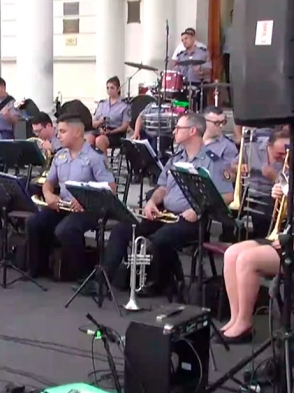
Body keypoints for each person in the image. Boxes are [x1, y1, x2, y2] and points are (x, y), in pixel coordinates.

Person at [99, 114, 234, 298]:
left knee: (159, 240)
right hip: (166, 213)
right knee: (123, 229)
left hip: (193, 219)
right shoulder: (176, 158)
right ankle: (105, 280)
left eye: (179, 128)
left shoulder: (213, 161)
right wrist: (152, 202)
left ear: (193, 131)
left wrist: (198, 209)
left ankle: (162, 282)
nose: (174, 131)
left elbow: (228, 195)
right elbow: (162, 186)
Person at [25, 114, 116, 279]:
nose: (58, 135)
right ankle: (38, 269)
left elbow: (111, 187)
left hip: (88, 208)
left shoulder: (94, 157)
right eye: (58, 131)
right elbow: (48, 182)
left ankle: (81, 273)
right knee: (34, 223)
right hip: (64, 205)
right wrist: (48, 195)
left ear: (77, 132)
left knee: (66, 230)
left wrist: (86, 199)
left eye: (63, 131)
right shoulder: (60, 156)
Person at [219, 183, 284, 344]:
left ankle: (244, 322)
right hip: (284, 236)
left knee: (247, 260)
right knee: (231, 253)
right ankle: (235, 318)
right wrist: (282, 193)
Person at [87, 76, 130, 154]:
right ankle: (91, 163)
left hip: (115, 133)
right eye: (107, 88)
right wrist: (99, 122)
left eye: (112, 88)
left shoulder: (124, 106)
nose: (109, 90)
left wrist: (111, 132)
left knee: (100, 140)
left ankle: (102, 165)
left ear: (118, 89)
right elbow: (93, 123)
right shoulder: (102, 104)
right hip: (101, 129)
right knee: (88, 139)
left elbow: (124, 126)